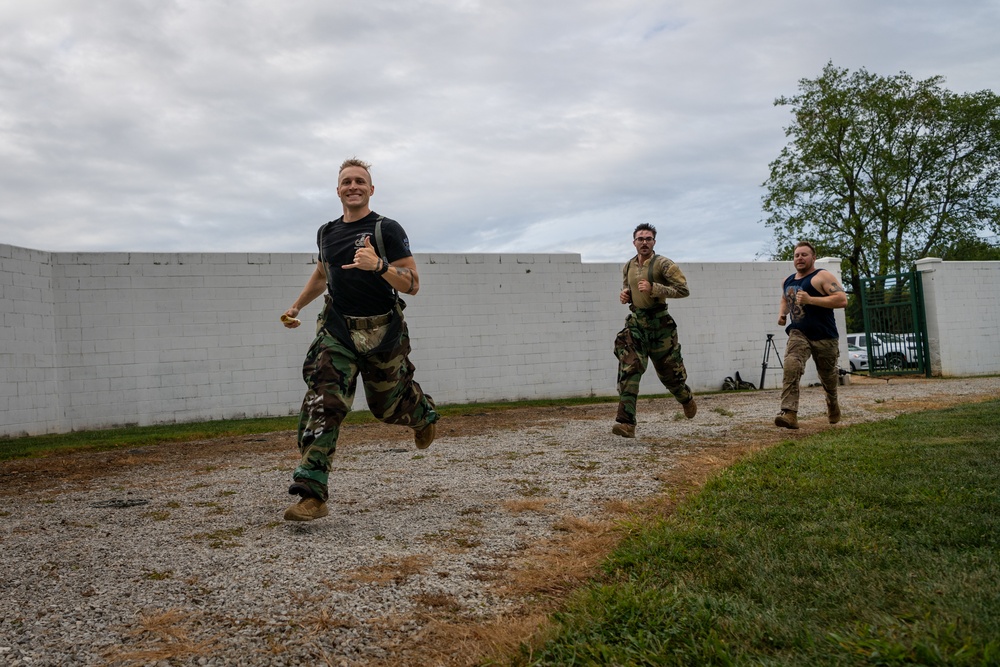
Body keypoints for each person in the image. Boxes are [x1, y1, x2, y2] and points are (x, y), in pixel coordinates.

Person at [280, 158, 439, 521]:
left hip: (383, 332)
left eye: (360, 181)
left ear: (371, 189)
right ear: (338, 190)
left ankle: (422, 414)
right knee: (324, 401)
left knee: (387, 408)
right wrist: (297, 306)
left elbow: (413, 284)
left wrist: (379, 266)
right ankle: (311, 493)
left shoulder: (387, 229)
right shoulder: (326, 232)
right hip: (337, 332)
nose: (353, 186)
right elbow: (323, 274)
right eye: (346, 181)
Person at [612, 223, 697, 438]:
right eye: (640, 239)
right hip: (636, 325)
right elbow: (628, 288)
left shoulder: (664, 264)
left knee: (670, 375)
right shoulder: (628, 266)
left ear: (654, 242)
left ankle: (685, 397)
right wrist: (626, 296)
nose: (644, 242)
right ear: (634, 243)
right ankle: (626, 423)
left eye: (648, 239)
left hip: (661, 327)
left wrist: (655, 288)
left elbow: (683, 289)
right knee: (631, 368)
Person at [775, 241, 848, 429]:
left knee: (828, 377)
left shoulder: (821, 276)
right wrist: (782, 314)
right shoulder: (787, 281)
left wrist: (810, 299)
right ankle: (789, 413)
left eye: (804, 255)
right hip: (799, 332)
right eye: (796, 255)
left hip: (825, 336)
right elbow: (785, 297)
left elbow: (842, 300)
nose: (799, 258)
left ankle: (833, 404)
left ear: (813, 258)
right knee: (792, 365)